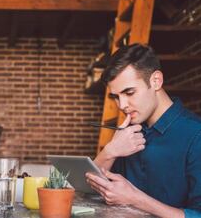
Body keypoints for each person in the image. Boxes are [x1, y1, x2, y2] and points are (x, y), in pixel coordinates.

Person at [85, 43, 201, 218]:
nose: (122, 105)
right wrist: (110, 151)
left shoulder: (195, 135)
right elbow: (89, 192)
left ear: (156, 81)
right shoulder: (128, 132)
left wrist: (136, 199)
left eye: (129, 93)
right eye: (116, 97)